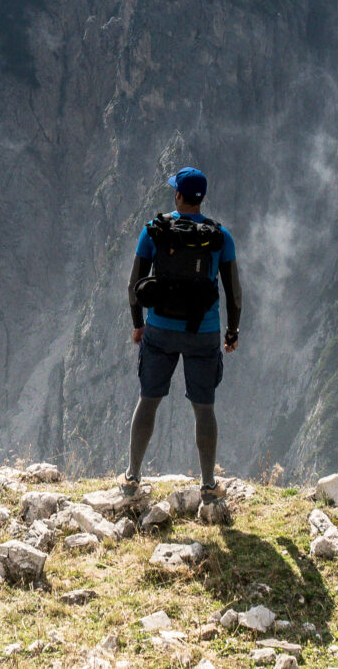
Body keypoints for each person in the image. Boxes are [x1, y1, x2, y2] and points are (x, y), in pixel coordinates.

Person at [124, 166, 241, 510]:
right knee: (203, 408)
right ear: (201, 198)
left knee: (149, 399)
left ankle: (131, 478)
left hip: (159, 329)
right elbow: (234, 294)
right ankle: (208, 487)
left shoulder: (153, 230)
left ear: (178, 196)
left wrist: (137, 324)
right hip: (203, 334)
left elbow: (134, 284)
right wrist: (231, 333)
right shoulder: (221, 237)